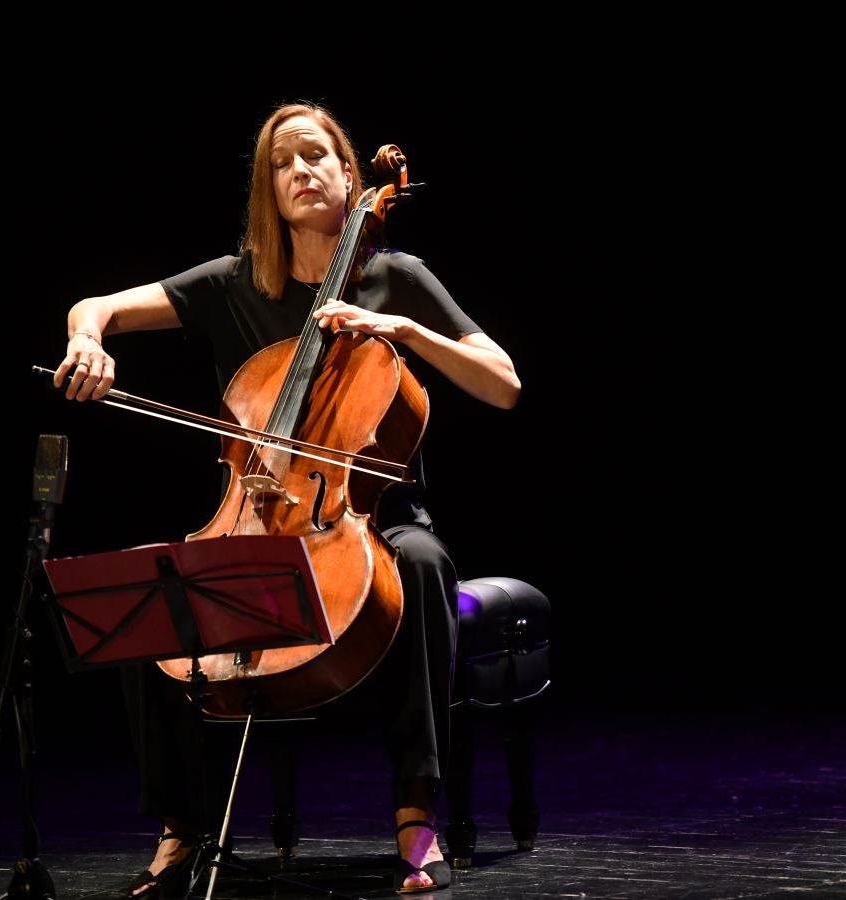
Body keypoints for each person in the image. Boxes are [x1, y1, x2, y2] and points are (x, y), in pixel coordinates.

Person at [53, 101, 520, 895]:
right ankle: (180, 827)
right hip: (259, 517)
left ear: (348, 175)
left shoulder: (394, 279)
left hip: (370, 515)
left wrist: (405, 333)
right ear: (267, 189)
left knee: (422, 563)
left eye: (317, 157)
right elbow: (96, 305)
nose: (301, 172)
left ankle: (415, 811)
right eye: (282, 162)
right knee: (150, 586)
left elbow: (504, 384)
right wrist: (86, 339)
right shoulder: (236, 283)